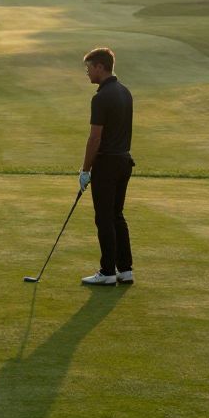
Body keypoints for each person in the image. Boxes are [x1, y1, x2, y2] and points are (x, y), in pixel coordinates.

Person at [78, 47, 134, 286]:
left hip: (107, 163)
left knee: (104, 218)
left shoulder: (101, 98)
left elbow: (95, 139)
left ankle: (107, 271)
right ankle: (125, 269)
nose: (87, 72)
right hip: (123, 161)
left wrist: (85, 169)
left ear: (100, 67)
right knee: (116, 215)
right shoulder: (125, 92)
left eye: (89, 68)